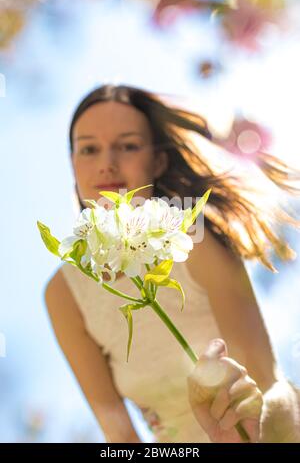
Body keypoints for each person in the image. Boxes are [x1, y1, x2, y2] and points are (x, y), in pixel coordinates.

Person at [44, 84, 300, 443]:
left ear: (158, 161)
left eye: (128, 145)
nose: (107, 164)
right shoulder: (64, 294)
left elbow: (268, 380)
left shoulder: (193, 241)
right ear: (73, 165)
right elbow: (119, 440)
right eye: (89, 149)